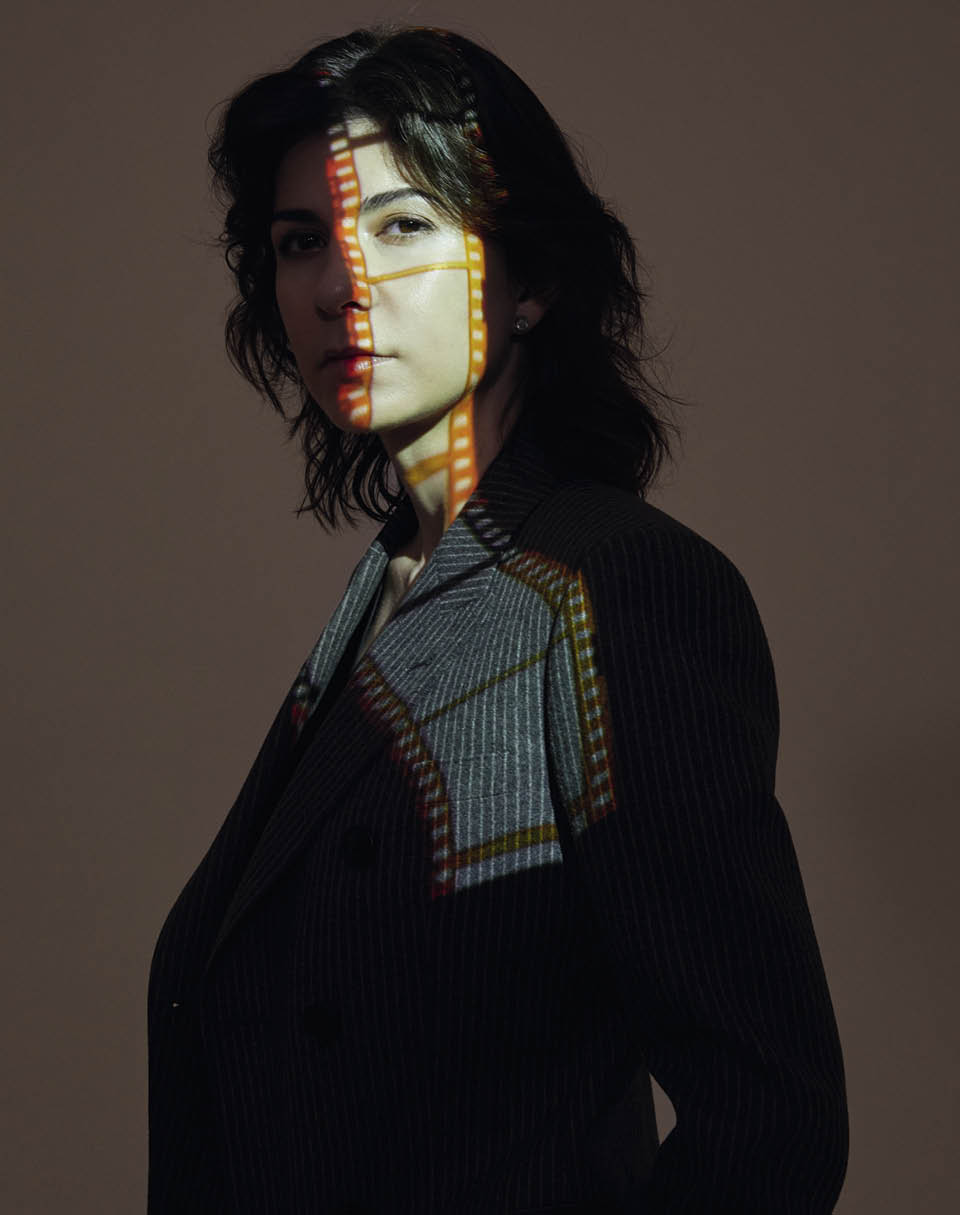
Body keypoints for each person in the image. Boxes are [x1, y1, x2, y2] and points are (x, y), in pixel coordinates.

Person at [147, 25, 849, 1215]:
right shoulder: (390, 589)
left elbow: (770, 1116)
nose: (339, 287)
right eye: (302, 240)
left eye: (400, 227)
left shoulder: (614, 587)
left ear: (530, 281)